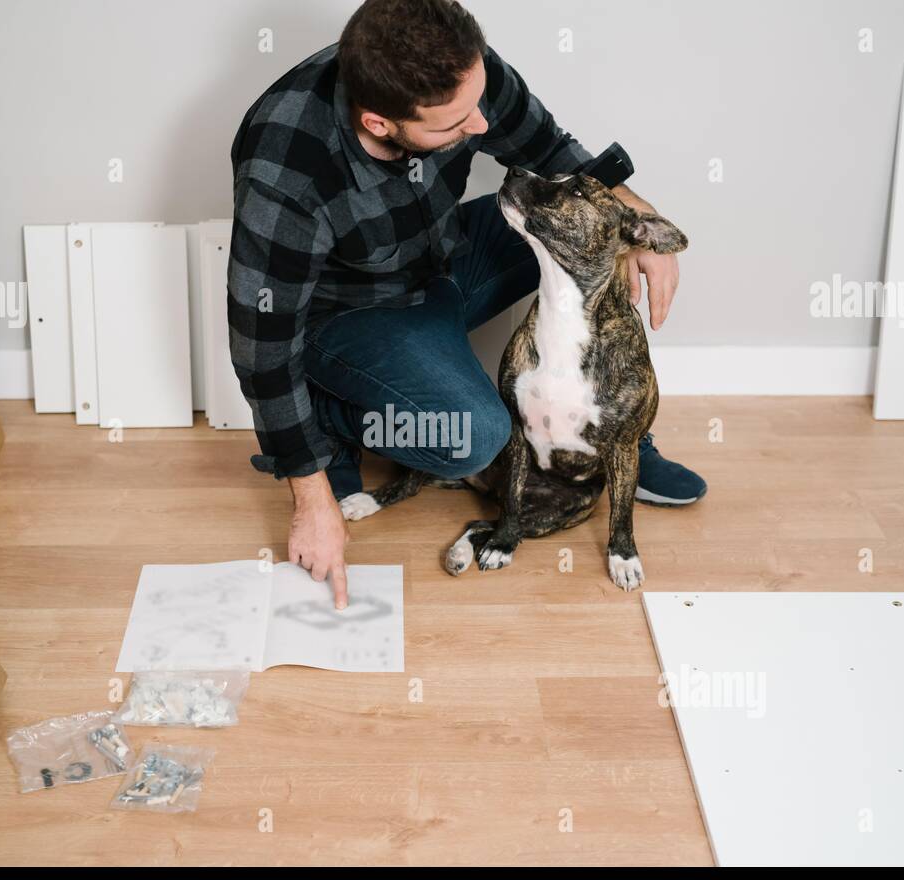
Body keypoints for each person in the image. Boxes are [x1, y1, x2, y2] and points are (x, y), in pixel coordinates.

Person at [227, 0, 705, 609]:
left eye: (480, 100)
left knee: (586, 245)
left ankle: (619, 436)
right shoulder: (287, 168)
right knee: (474, 438)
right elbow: (261, 345)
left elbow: (552, 154)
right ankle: (337, 418)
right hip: (355, 315)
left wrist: (642, 223)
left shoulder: (457, 72)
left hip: (447, 256)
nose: (482, 125)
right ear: (378, 123)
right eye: (456, 123)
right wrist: (310, 496)